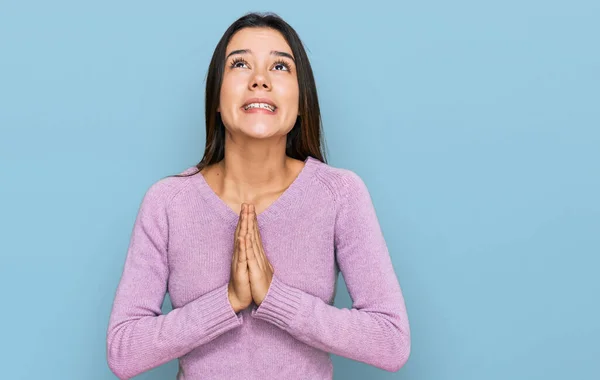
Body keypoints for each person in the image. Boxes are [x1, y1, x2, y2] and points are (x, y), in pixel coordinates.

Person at [106, 11, 410, 380]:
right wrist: (227, 302)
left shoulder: (340, 195)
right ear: (217, 98)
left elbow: (391, 341)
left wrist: (276, 299)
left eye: (280, 67)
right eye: (240, 64)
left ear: (301, 101)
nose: (260, 80)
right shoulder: (167, 202)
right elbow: (123, 351)